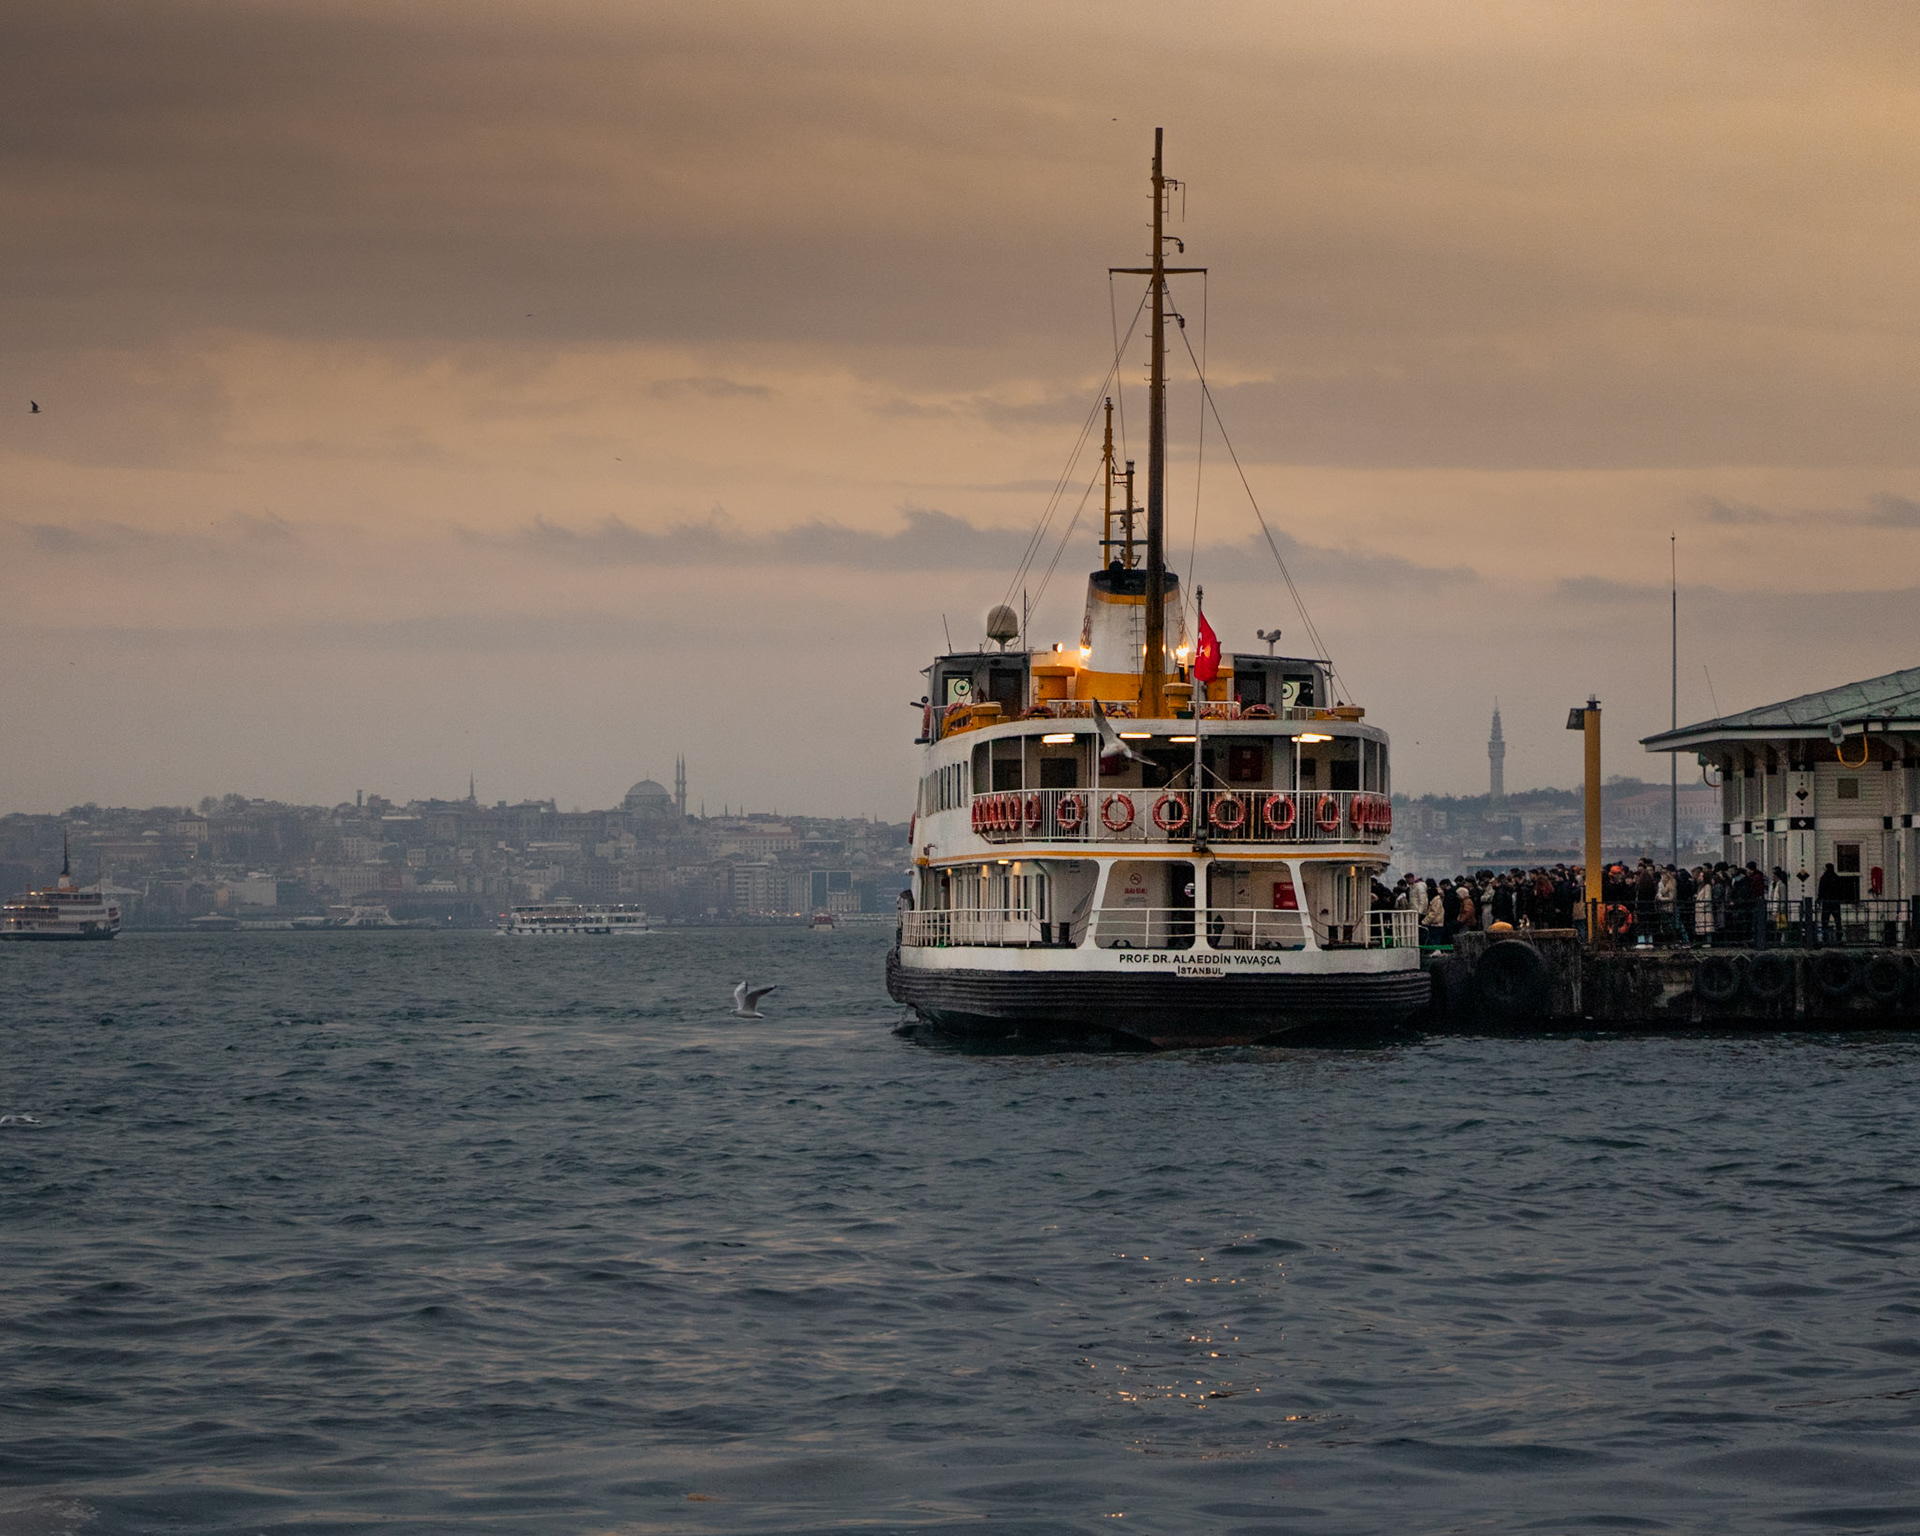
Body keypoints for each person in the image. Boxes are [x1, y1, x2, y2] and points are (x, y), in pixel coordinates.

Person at [1816, 861, 1843, 945]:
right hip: (1835, 902)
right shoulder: (1836, 878)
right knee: (1838, 920)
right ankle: (1839, 936)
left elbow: (1821, 890)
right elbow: (1840, 890)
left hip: (1826, 902)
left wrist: (1819, 899)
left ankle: (1825, 937)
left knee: (1825, 920)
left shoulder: (1824, 878)